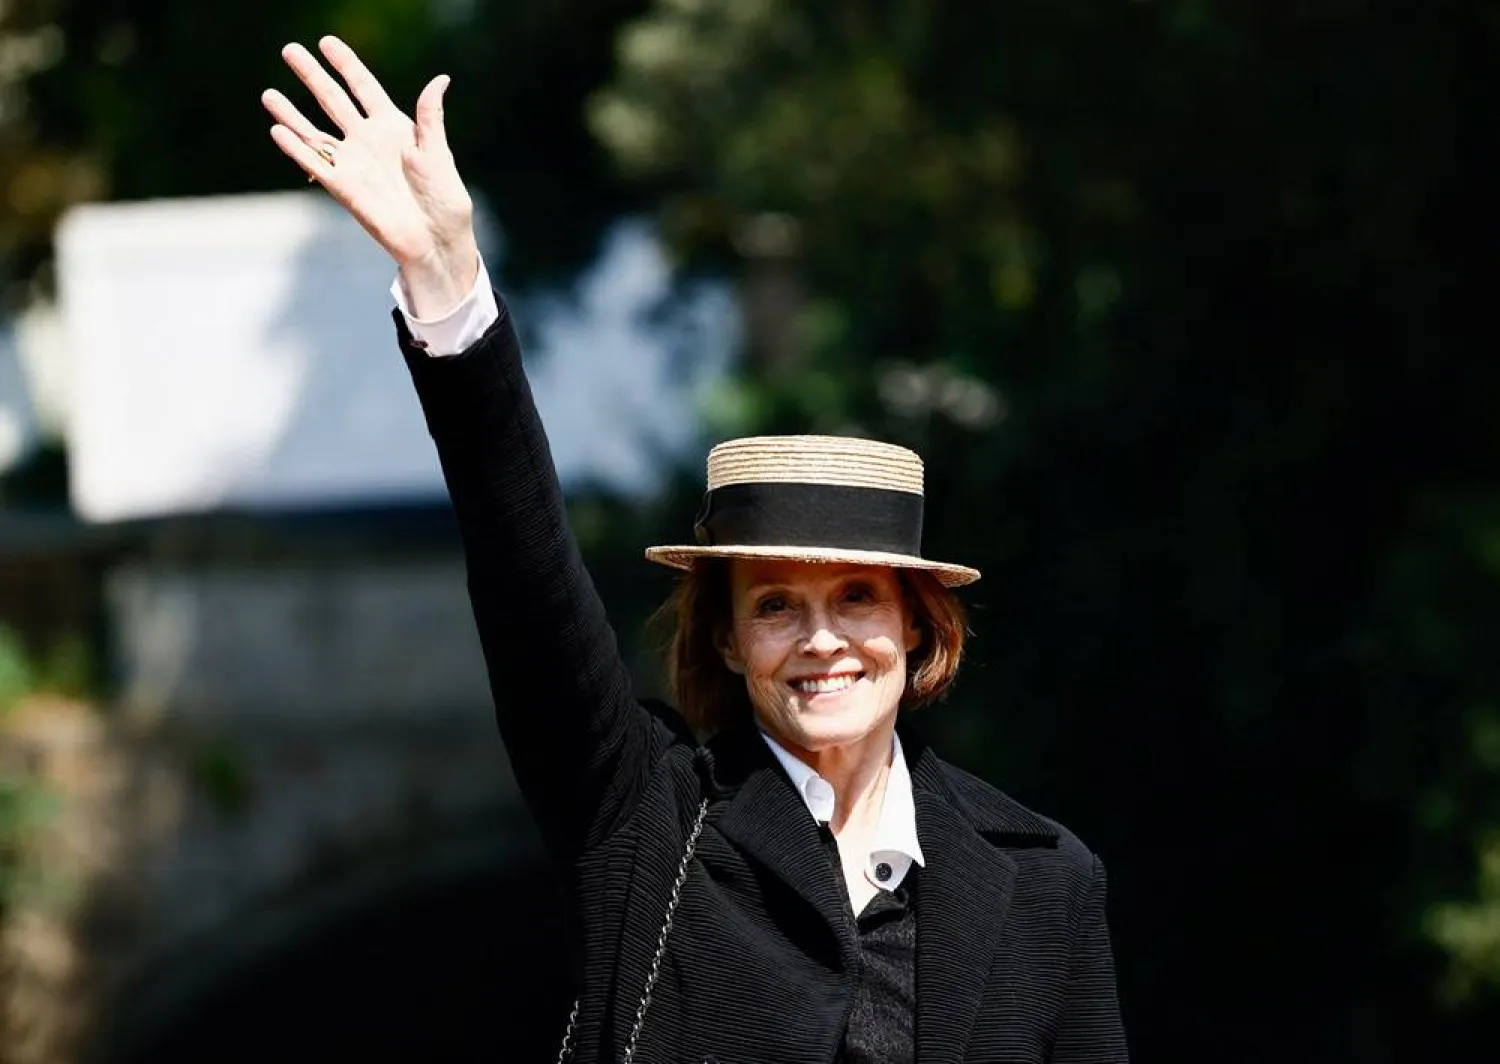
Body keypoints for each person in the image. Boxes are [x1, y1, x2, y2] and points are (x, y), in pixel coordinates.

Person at [262, 36, 1128, 1064]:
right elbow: (528, 582)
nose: (820, 639)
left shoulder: (1043, 876)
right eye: (774, 604)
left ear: (916, 624)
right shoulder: (646, 818)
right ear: (724, 637)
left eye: (856, 596)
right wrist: (452, 293)